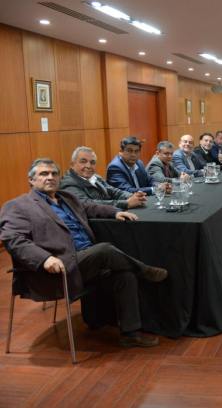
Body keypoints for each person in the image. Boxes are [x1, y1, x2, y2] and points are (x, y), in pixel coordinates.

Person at [0, 158, 168, 347]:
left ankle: (130, 334)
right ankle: (144, 270)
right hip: (58, 267)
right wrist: (44, 258)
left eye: (54, 173)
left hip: (85, 259)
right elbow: (13, 240)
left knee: (125, 274)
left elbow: (90, 207)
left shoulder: (66, 198)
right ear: (31, 180)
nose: (50, 177)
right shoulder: (17, 206)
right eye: (43, 174)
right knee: (104, 249)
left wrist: (114, 212)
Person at [60, 147, 147, 210]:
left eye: (92, 162)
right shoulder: (68, 183)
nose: (88, 166)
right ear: (72, 164)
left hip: (109, 215)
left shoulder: (95, 177)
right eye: (83, 161)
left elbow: (113, 191)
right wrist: (126, 203)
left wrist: (132, 196)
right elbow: (88, 204)